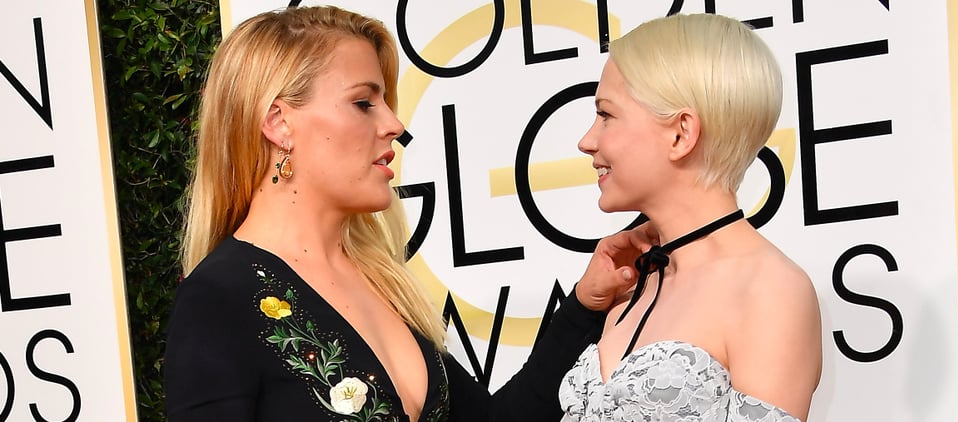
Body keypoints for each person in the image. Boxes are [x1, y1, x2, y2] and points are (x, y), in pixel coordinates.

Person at [163, 5, 655, 422]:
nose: (394, 124)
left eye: (386, 102)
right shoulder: (217, 300)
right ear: (278, 123)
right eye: (363, 103)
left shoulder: (379, 281)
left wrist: (583, 307)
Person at [558, 13, 823, 422]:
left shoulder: (770, 291)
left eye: (606, 115)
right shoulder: (632, 283)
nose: (586, 141)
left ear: (681, 133)